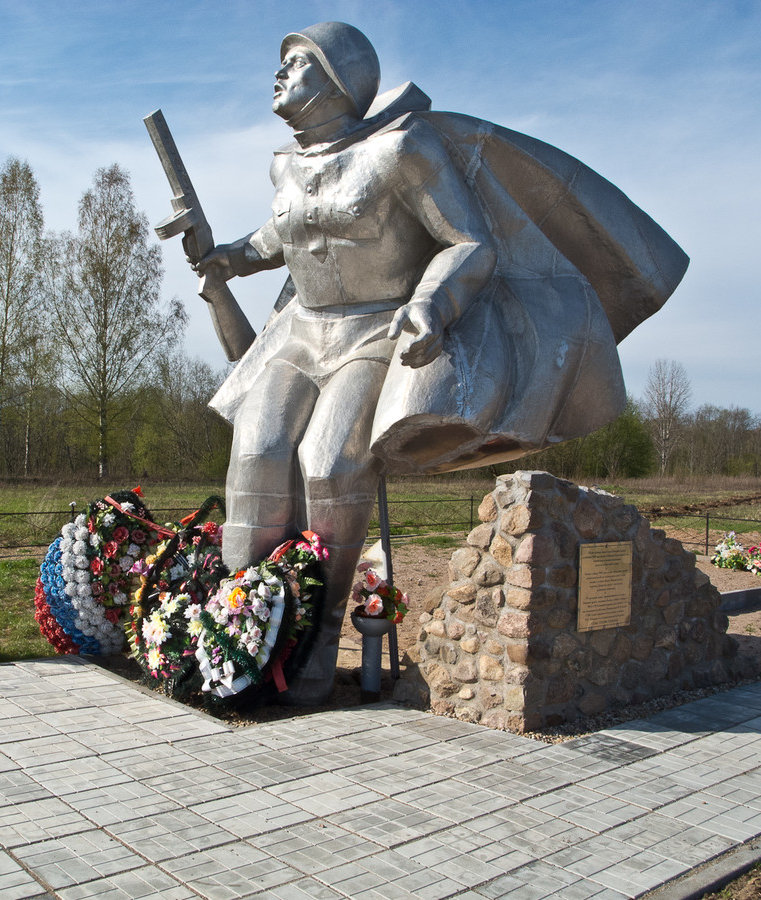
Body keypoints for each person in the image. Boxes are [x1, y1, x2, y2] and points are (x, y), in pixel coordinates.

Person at [192, 22, 687, 704]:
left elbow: (468, 241)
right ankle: (234, 636)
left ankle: (316, 638)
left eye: (298, 62)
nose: (279, 75)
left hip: (373, 331)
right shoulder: (285, 166)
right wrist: (228, 257)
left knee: (329, 464)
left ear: (338, 79)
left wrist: (432, 305)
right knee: (255, 452)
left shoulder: (403, 148)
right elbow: (279, 236)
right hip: (301, 333)